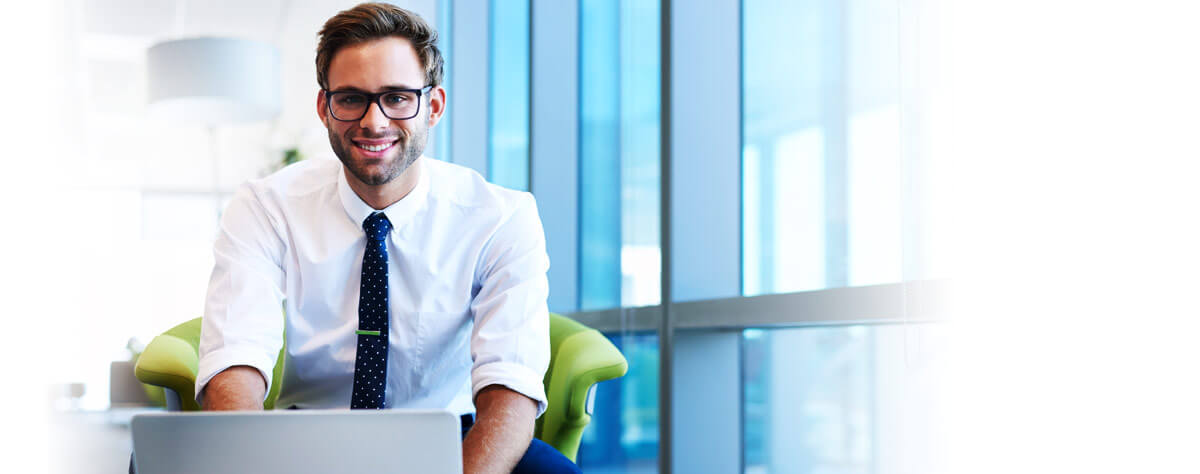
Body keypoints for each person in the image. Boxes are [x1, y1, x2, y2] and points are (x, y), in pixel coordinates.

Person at [192, 3, 578, 473]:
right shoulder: (265, 206)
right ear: (325, 108)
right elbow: (237, 356)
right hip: (308, 432)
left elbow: (510, 387)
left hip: (447, 430)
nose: (373, 122)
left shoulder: (501, 217)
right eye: (351, 98)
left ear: (432, 107)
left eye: (397, 98)